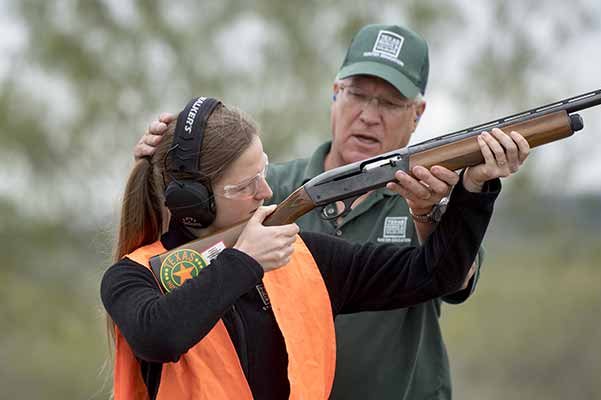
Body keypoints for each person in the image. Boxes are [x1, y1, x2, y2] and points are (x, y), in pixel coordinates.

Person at [134, 25, 530, 399]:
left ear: (418, 113)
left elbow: (452, 277)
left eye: (391, 102)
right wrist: (164, 172)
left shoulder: (429, 191)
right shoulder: (270, 187)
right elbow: (182, 256)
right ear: (335, 93)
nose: (369, 115)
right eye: (358, 94)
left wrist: (454, 198)